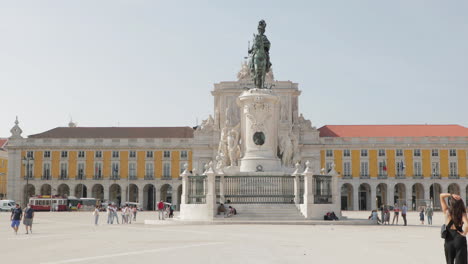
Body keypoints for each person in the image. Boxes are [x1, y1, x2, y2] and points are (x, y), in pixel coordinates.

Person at [440, 193, 467, 263]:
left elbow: (441, 196)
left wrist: (451, 194)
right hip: (460, 239)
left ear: (451, 203)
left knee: (449, 261)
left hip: (449, 240)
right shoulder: (462, 213)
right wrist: (464, 233)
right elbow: (467, 225)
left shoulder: (447, 212)